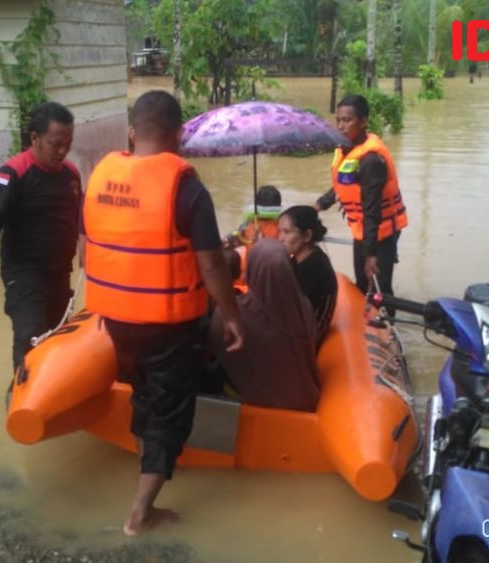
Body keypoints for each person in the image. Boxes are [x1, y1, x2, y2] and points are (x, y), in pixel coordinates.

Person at [80, 90, 244, 535]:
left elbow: (88, 249)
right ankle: (140, 513)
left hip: (117, 320)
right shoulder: (186, 188)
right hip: (169, 325)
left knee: (144, 396)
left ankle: (151, 464)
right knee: (170, 412)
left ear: (133, 132)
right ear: (180, 133)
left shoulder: (100, 177)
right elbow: (211, 263)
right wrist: (230, 316)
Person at [0, 102, 81, 375]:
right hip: (24, 274)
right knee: (31, 339)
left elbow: (79, 217)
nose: (62, 151)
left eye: (67, 144)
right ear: (34, 138)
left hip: (59, 272)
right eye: (55, 143)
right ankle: (21, 405)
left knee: (58, 336)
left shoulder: (71, 174)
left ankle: (51, 400)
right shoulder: (13, 174)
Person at [209, 239, 320, 412]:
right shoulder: (304, 306)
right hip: (307, 396)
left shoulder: (231, 315)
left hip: (262, 401)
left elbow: (214, 350)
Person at [315, 94, 408, 300]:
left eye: (347, 120)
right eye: (338, 120)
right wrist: (319, 205)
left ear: (364, 121)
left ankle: (388, 323)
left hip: (380, 230)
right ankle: (365, 322)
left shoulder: (371, 161)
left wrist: (370, 255)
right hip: (362, 228)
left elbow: (372, 211)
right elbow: (343, 184)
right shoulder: (345, 149)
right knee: (361, 283)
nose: (340, 126)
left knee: (379, 287)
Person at [278, 205, 338, 342]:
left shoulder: (313, 267)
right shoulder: (301, 257)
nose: (280, 238)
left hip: (307, 338)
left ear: (307, 235)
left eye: (286, 232)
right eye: (279, 231)